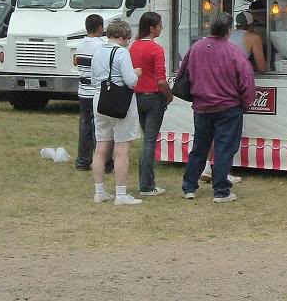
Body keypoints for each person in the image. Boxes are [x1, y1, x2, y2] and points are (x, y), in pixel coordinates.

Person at [180, 13, 255, 203]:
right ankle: (221, 190)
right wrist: (245, 104)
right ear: (228, 31)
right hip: (228, 107)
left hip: (202, 106)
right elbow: (247, 81)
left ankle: (189, 186)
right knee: (224, 148)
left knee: (199, 147)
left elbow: (183, 73)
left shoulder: (195, 48)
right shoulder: (234, 52)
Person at [198, 10, 266, 184]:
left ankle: (206, 166)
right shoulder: (253, 38)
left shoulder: (221, 39)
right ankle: (223, 172)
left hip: (210, 88)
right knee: (227, 135)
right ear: (251, 25)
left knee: (213, 133)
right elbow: (262, 67)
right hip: (231, 90)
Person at [90, 18, 143, 206]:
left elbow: (94, 77)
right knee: (121, 149)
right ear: (121, 37)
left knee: (101, 147)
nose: (128, 41)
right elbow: (130, 81)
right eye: (127, 38)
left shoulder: (97, 53)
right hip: (120, 102)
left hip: (100, 99)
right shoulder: (122, 53)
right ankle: (121, 194)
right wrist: (136, 73)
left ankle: (99, 191)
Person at [129, 11, 173, 196]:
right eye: (160, 25)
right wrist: (169, 95)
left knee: (146, 137)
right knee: (149, 141)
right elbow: (161, 80)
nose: (162, 28)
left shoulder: (133, 47)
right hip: (154, 97)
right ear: (152, 28)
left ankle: (146, 181)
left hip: (137, 96)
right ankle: (146, 184)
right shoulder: (156, 49)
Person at [73, 14, 112, 172]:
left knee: (84, 126)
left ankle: (82, 160)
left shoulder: (80, 45)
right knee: (101, 129)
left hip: (82, 91)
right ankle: (103, 162)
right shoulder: (101, 46)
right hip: (96, 92)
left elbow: (76, 62)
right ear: (100, 28)